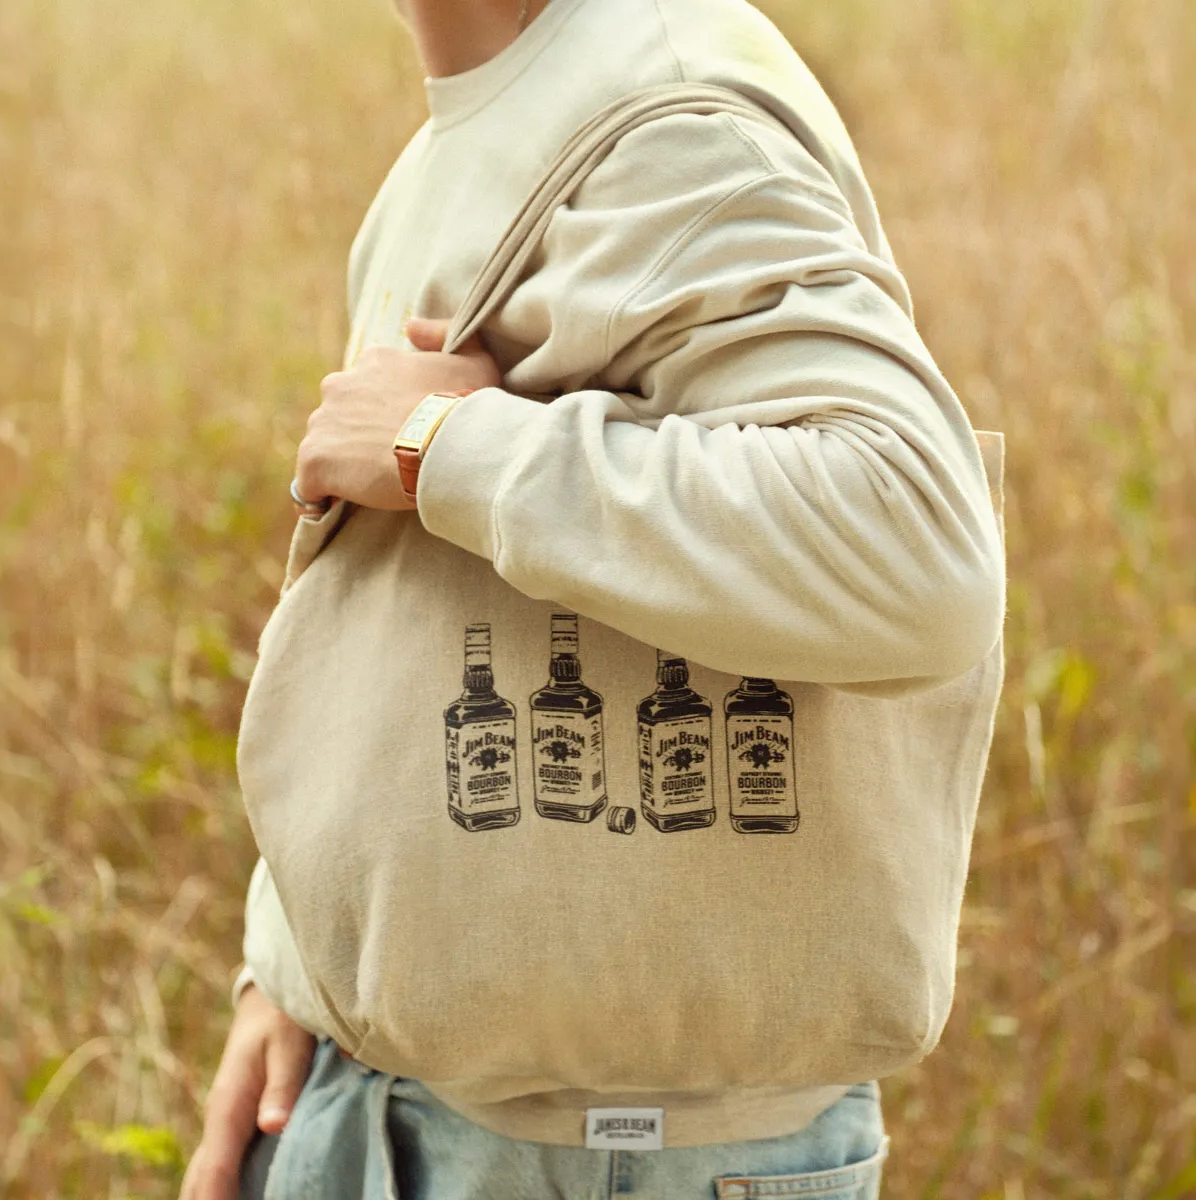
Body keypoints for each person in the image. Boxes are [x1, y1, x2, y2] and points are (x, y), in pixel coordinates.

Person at [180, 0, 1007, 1196]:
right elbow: (395, 612)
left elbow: (919, 549)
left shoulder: (669, 117)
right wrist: (290, 968)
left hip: (586, 1154)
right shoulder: (487, 113)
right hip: (387, 1107)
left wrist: (441, 444)